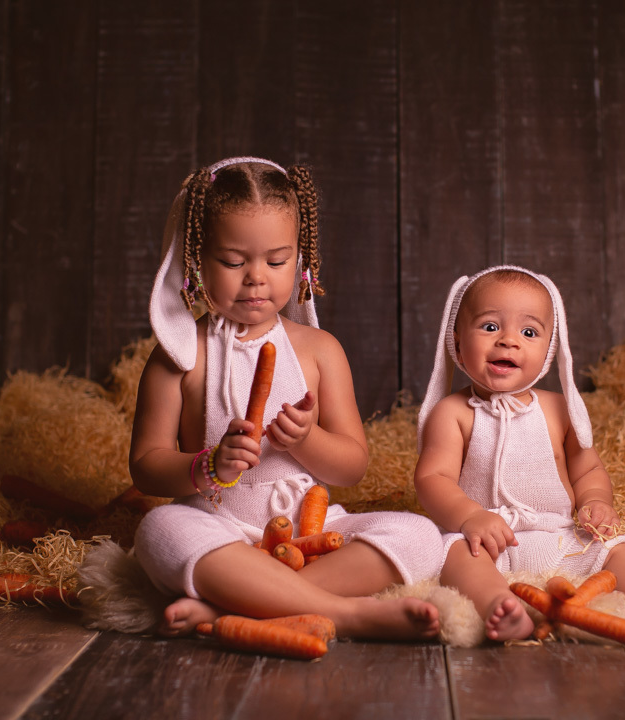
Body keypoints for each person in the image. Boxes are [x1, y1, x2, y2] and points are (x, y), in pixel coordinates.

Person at [131, 156, 442, 641]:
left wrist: (306, 441)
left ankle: (243, 601)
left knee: (420, 536)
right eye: (233, 261)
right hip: (219, 528)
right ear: (196, 259)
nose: (256, 277)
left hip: (309, 531)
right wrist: (207, 466)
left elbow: (352, 466)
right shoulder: (178, 355)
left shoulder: (320, 351)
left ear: (300, 258)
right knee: (159, 531)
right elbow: (146, 465)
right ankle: (349, 615)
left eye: (277, 261)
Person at [413, 265, 625, 641]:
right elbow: (431, 479)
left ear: (549, 350)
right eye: (490, 327)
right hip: (487, 542)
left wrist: (596, 501)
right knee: (454, 553)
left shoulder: (558, 410)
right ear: (456, 342)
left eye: (529, 332)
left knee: (620, 548)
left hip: (558, 536)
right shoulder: (453, 413)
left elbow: (587, 471)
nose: (508, 341)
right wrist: (469, 517)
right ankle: (497, 605)